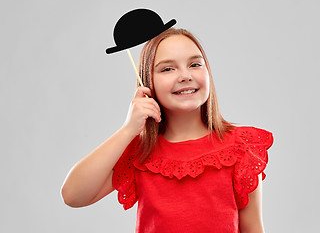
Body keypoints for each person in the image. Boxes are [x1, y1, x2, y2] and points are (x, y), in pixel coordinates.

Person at [61, 28, 273, 233]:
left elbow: (253, 228)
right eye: (167, 68)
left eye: (195, 64)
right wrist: (127, 130)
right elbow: (73, 195)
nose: (185, 75)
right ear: (147, 81)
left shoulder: (241, 147)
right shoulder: (139, 153)